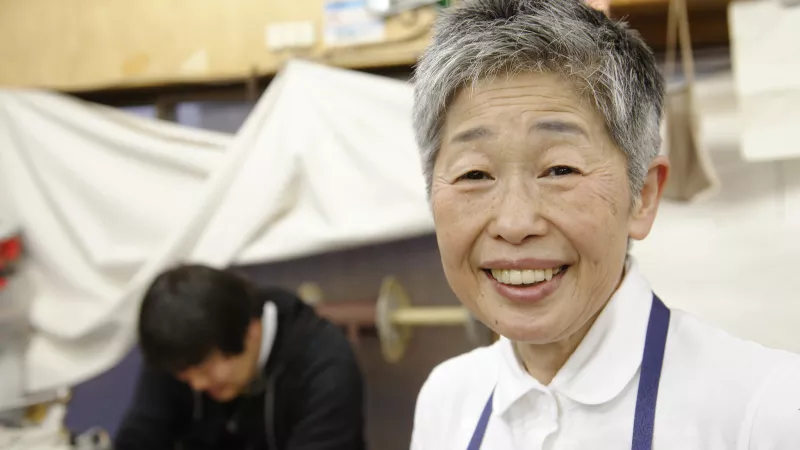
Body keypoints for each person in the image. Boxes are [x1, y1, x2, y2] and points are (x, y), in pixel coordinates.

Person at [409, 1, 800, 449]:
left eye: (560, 170)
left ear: (643, 196)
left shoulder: (766, 409)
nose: (515, 223)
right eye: (474, 174)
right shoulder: (448, 399)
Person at [115, 264, 366, 450]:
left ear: (250, 331)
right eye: (183, 375)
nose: (197, 384)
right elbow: (142, 432)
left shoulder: (325, 367)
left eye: (205, 369)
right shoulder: (181, 350)